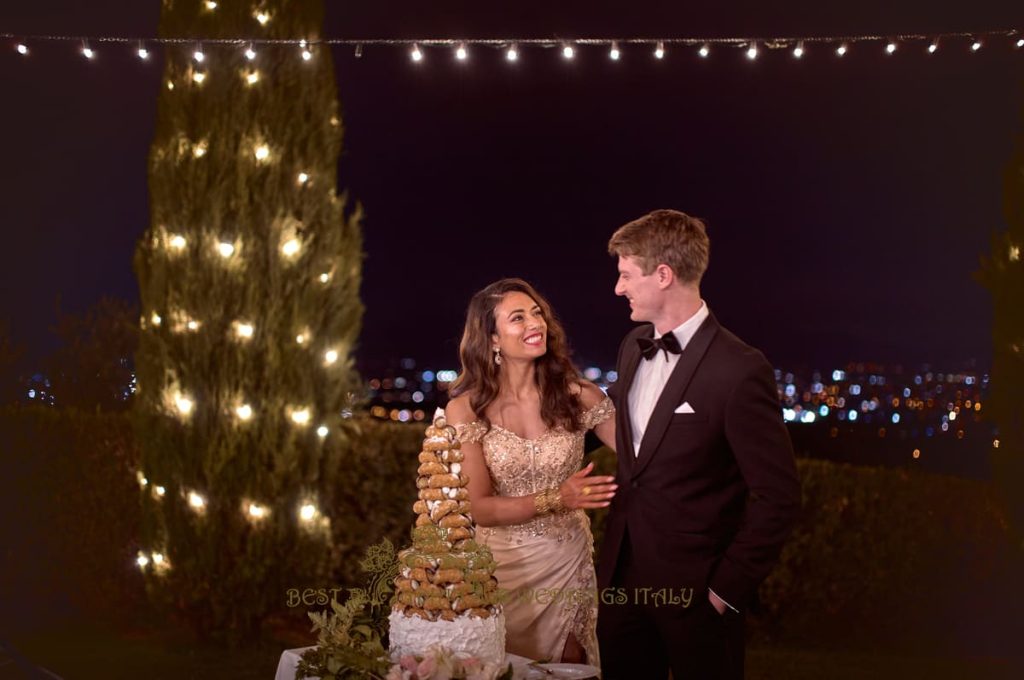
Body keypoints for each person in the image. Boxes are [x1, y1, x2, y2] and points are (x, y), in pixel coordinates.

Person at [596, 209, 801, 679]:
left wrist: (723, 592)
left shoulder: (740, 369)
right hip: (622, 586)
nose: (618, 288)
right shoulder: (633, 346)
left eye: (626, 275)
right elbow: (620, 427)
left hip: (699, 598)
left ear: (663, 275)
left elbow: (778, 497)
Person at [446, 278, 617, 667]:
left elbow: (647, 455)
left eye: (537, 313)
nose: (534, 324)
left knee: (569, 666)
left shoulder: (581, 396)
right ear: (491, 339)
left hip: (566, 561)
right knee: (500, 667)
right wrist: (559, 498)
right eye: (518, 318)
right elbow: (479, 508)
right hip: (499, 569)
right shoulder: (467, 409)